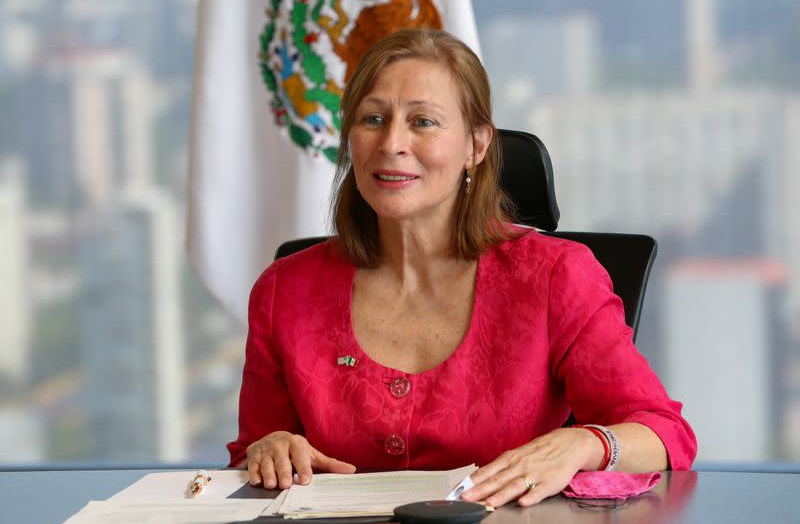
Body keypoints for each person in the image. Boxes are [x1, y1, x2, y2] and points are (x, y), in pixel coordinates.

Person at [227, 28, 696, 508]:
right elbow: (253, 456)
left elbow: (665, 437)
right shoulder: (285, 289)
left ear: (476, 145)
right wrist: (268, 451)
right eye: (372, 118)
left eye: (423, 122)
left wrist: (582, 443)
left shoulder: (556, 276)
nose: (391, 143)